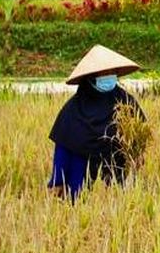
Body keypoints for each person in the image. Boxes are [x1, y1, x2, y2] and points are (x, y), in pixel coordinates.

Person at [47, 45, 145, 199]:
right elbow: (62, 150)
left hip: (115, 182)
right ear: (91, 78)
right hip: (78, 183)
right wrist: (57, 181)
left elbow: (139, 138)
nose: (109, 76)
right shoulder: (73, 110)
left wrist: (138, 157)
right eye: (103, 73)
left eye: (112, 72)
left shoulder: (125, 103)